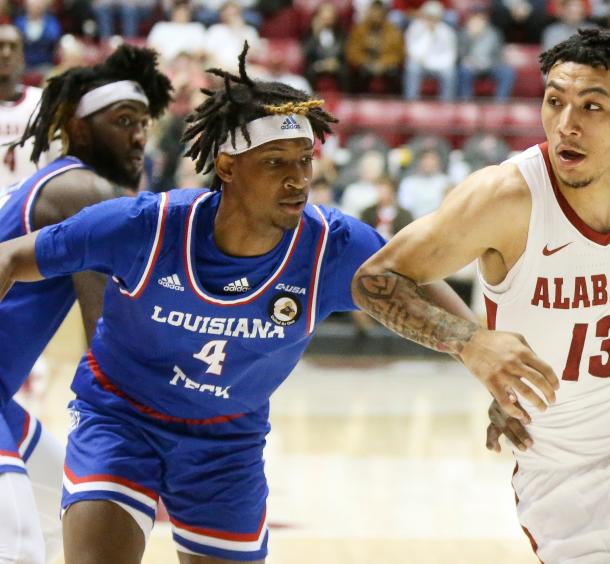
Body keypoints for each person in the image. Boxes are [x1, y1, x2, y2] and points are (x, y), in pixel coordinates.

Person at [0, 44, 475, 564]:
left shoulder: (330, 244)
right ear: (226, 166)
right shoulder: (143, 224)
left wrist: (486, 352)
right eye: (276, 163)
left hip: (227, 441)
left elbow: (411, 275)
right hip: (122, 418)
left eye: (304, 162)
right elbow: (10, 259)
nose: (297, 179)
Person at [351, 30, 610, 564]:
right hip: (560, 473)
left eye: (592, 106)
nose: (566, 123)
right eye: (554, 101)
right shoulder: (504, 199)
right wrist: (471, 343)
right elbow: (376, 279)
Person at [0, 45, 173, 564]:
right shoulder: (82, 192)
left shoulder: (68, 185)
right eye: (123, 121)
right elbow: (107, 331)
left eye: (144, 122)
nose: (139, 136)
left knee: (57, 516)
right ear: (77, 130)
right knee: (19, 547)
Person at [0, 24, 49, 189]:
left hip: (32, 206)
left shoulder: (42, 102)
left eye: (13, 47)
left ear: (22, 56)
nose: (6, 53)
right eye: (0, 46)